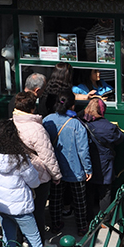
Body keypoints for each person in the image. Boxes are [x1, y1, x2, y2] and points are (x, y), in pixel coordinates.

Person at [0, 119, 58, 247]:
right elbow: (34, 182)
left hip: (0, 204)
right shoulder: (20, 159)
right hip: (20, 206)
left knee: (9, 240)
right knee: (35, 242)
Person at [13, 91, 61, 242]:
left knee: (20, 210)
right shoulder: (36, 129)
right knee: (38, 211)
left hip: (18, 173)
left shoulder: (10, 124)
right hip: (38, 175)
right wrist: (56, 175)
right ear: (33, 109)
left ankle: (20, 240)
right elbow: (47, 155)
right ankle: (39, 243)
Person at [43, 90, 92, 236]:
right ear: (72, 106)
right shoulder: (77, 125)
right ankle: (82, 226)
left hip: (53, 167)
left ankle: (56, 224)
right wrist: (88, 169)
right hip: (75, 168)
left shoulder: (47, 120)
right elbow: (83, 151)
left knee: (56, 198)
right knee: (79, 200)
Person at [80, 98, 124, 220]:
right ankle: (105, 219)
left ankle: (88, 217)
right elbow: (119, 138)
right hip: (104, 162)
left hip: (87, 162)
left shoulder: (81, 123)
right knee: (105, 191)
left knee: (89, 191)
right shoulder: (108, 127)